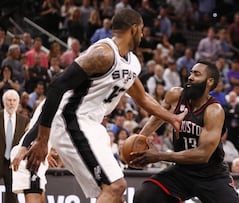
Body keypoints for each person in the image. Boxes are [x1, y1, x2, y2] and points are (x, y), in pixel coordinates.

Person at [23, 8, 186, 203]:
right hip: (72, 120)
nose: (143, 35)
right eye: (142, 29)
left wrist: (172, 118)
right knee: (116, 186)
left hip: (92, 124)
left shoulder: (132, 62)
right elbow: (57, 86)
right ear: (134, 29)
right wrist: (43, 139)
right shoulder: (103, 54)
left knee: (116, 195)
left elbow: (142, 98)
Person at [131, 60, 239, 203]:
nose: (190, 77)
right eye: (190, 73)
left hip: (211, 174)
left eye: (197, 74)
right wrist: (139, 139)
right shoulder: (175, 95)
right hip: (182, 171)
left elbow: (203, 155)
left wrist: (159, 156)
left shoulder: (214, 110)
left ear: (209, 81)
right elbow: (158, 116)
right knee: (144, 196)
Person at [0, 89, 29, 203]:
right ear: (4, 102)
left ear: (18, 102)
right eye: (9, 100)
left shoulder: (24, 121)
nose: (11, 103)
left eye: (14, 100)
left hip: (13, 164)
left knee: (12, 197)